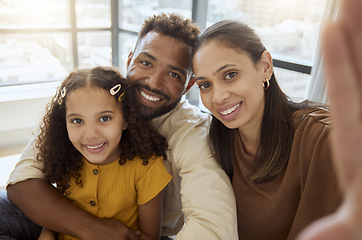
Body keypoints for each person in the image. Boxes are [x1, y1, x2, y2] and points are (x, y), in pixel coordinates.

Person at [0, 13, 238, 240]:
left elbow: (212, 224)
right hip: (74, 221)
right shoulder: (93, 95)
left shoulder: (192, 132)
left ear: (188, 85)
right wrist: (91, 230)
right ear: (129, 59)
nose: (153, 82)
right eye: (146, 63)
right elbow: (22, 182)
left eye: (174, 74)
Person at [191, 0, 362, 238]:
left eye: (230, 75)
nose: (218, 97)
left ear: (265, 66)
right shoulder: (216, 139)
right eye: (205, 85)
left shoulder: (320, 137)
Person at [35, 66, 171, 240]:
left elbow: (150, 236)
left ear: (126, 120)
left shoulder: (147, 167)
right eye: (77, 120)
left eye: (104, 118)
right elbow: (55, 217)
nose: (91, 134)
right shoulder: (66, 158)